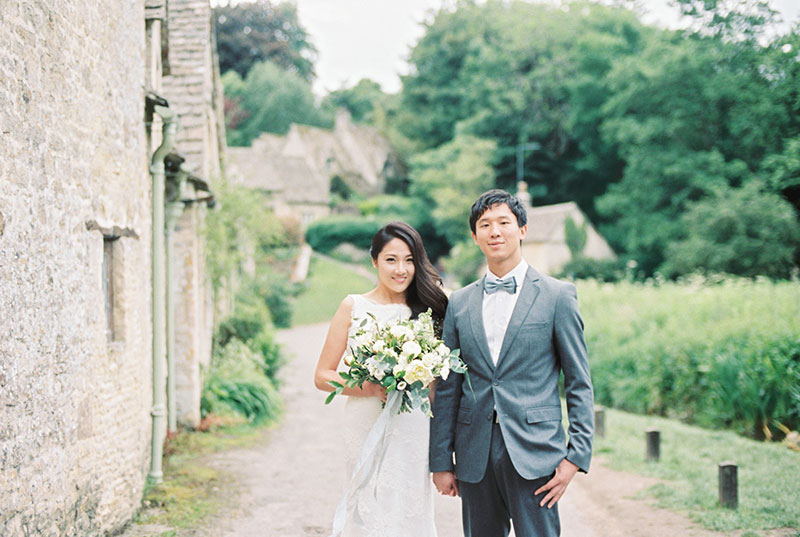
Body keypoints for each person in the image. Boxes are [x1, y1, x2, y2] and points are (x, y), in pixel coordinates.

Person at [429, 189, 594, 537]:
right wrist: (441, 460)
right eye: (485, 225)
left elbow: (579, 380)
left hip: (536, 452)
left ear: (522, 229)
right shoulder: (458, 303)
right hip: (474, 453)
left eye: (504, 222)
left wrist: (576, 456)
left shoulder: (557, 296)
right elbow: (448, 387)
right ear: (475, 237)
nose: (495, 231)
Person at [314, 221, 448, 537]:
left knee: (408, 506)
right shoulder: (353, 306)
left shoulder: (430, 310)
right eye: (391, 259)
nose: (400, 269)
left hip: (413, 427)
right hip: (364, 421)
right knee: (367, 508)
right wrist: (369, 387)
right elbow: (322, 376)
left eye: (409, 260)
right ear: (374, 261)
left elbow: (436, 385)